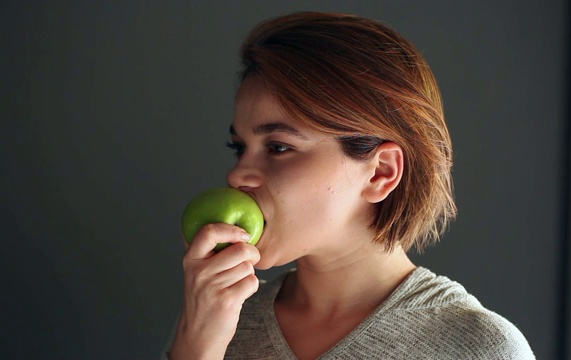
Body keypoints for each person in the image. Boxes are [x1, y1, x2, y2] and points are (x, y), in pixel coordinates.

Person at [162, 11, 535, 360]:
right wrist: (197, 345)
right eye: (239, 148)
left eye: (278, 147)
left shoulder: (479, 348)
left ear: (380, 173)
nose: (237, 175)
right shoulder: (218, 325)